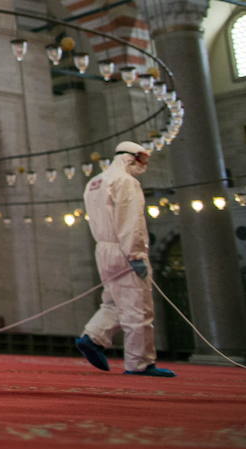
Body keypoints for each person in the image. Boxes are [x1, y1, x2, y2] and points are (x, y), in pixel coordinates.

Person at [74, 141, 175, 377]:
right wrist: (136, 255)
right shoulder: (126, 182)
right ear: (131, 158)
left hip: (103, 249)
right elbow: (131, 222)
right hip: (124, 249)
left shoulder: (95, 182)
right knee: (138, 307)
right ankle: (140, 364)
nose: (144, 166)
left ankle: (93, 337)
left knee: (113, 301)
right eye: (142, 160)